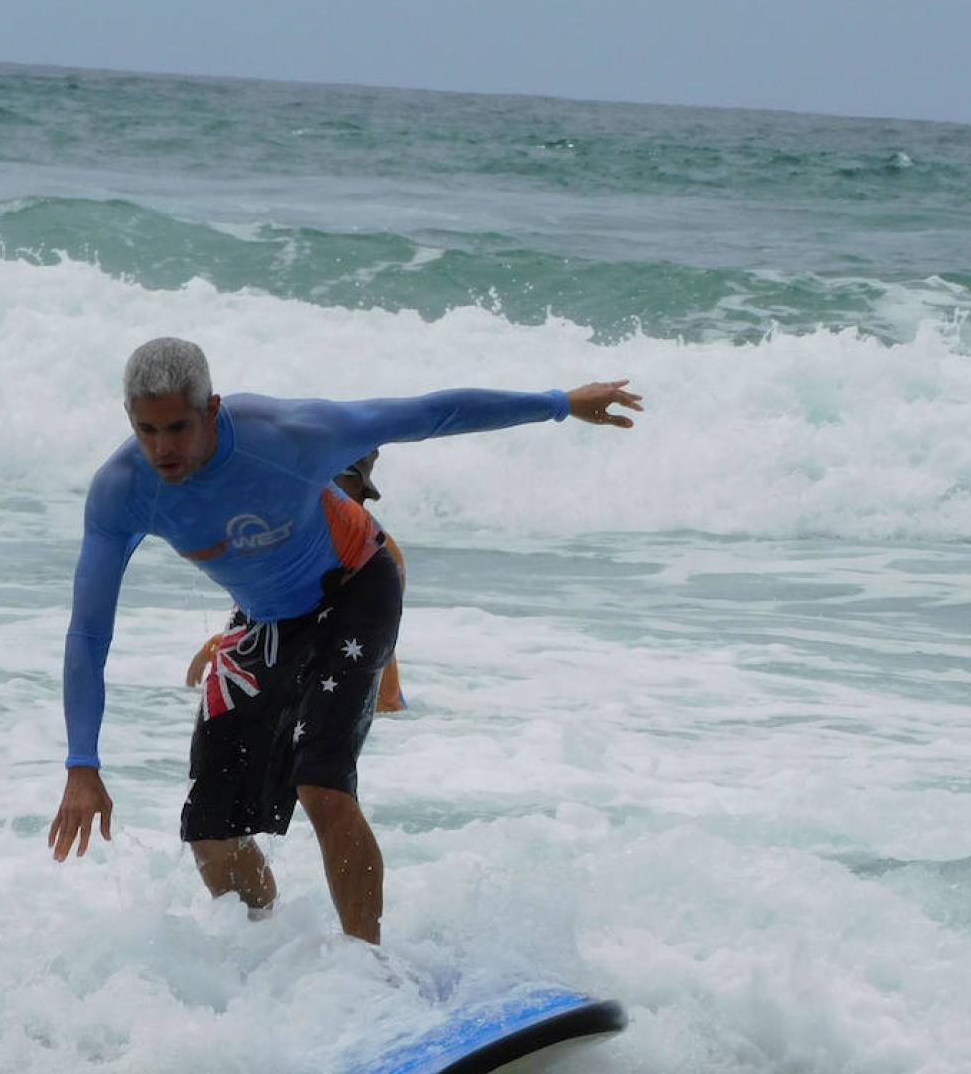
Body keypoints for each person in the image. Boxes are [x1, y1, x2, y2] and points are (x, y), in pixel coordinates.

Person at [47, 337, 639, 945]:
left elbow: (430, 413)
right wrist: (82, 765)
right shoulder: (121, 490)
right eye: (146, 430)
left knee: (320, 779)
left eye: (177, 427)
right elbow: (89, 632)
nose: (162, 448)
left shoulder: (287, 433)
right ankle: (265, 951)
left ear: (212, 409)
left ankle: (369, 972)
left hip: (354, 585)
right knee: (211, 829)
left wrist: (560, 403)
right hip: (263, 621)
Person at [186, 450, 409, 712]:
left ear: (357, 485)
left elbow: (373, 652)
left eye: (329, 477)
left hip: (373, 710)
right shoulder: (307, 540)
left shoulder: (377, 554)